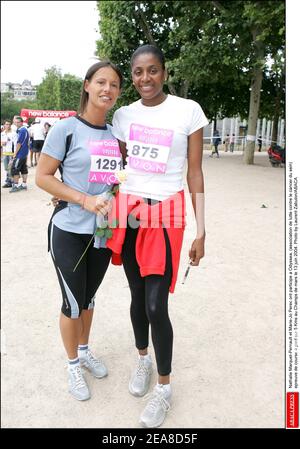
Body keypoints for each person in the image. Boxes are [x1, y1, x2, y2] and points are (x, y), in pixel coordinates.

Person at [108, 44, 208, 428]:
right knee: (136, 295)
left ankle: (164, 388)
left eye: (152, 71)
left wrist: (202, 228)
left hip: (167, 212)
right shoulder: (123, 115)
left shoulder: (188, 111)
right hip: (130, 213)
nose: (144, 79)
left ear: (164, 72)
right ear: (131, 75)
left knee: (155, 305)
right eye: (137, 72)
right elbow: (119, 166)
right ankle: (142, 360)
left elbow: (195, 172)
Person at [35, 61, 123, 401]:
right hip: (69, 228)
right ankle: (73, 364)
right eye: (101, 82)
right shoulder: (66, 128)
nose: (108, 89)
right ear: (87, 85)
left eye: (114, 84)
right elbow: (42, 177)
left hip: (102, 231)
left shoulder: (116, 134)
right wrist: (84, 200)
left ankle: (84, 350)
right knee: (72, 302)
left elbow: (117, 180)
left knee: (88, 298)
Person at [9, 117, 29, 193]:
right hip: (24, 152)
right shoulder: (24, 130)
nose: (16, 124)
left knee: (15, 169)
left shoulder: (22, 130)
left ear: (21, 123)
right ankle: (24, 184)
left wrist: (15, 153)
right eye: (15, 122)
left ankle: (16, 185)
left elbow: (19, 143)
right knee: (23, 168)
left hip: (20, 153)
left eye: (18, 122)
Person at [1, 120, 16, 188]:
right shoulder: (2, 133)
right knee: (6, 168)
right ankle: (9, 181)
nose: (8, 125)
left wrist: (15, 153)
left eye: (9, 124)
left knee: (10, 168)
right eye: (6, 124)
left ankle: (11, 182)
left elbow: (16, 144)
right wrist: (2, 143)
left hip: (11, 153)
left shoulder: (13, 133)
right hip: (4, 153)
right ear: (4, 125)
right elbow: (1, 142)